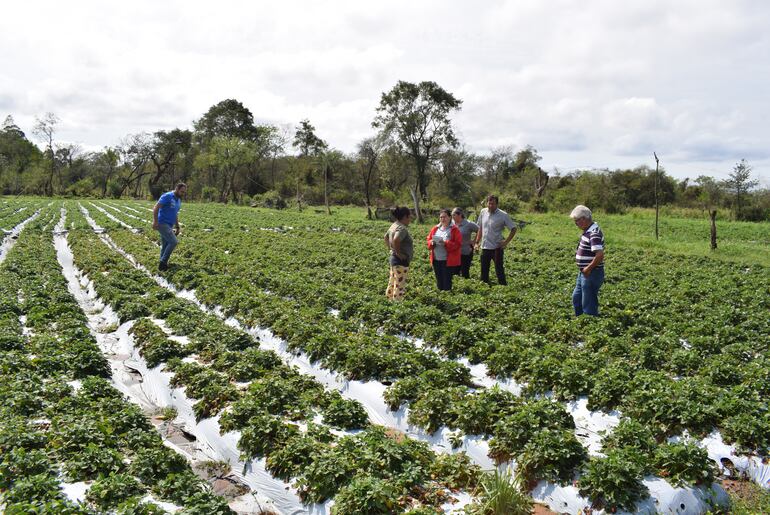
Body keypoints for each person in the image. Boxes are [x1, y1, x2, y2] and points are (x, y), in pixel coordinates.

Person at [474, 195, 516, 285]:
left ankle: (503, 288)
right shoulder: (483, 212)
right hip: (485, 247)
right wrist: (477, 242)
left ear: (497, 204)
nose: (490, 206)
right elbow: (480, 228)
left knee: (499, 270)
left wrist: (505, 242)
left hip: (496, 248)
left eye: (493, 204)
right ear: (486, 203)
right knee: (484, 270)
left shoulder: (503, 215)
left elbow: (513, 228)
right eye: (489, 203)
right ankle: (484, 289)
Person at [570, 205, 605, 316]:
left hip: (591, 273)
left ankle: (589, 322)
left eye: (577, 221)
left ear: (584, 219)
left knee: (588, 302)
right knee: (577, 298)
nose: (576, 224)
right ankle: (580, 321)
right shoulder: (588, 231)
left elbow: (599, 255)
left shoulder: (593, 233)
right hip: (584, 273)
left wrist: (588, 269)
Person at [153, 182, 187, 271]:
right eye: (181, 191)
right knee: (173, 242)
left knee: (166, 244)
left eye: (184, 192)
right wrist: (155, 221)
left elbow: (175, 214)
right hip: (162, 223)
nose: (182, 194)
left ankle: (162, 263)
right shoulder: (167, 196)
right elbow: (156, 208)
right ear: (176, 189)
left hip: (170, 225)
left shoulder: (178, 200)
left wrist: (177, 227)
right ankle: (163, 263)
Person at [427, 209, 462, 291]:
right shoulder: (435, 228)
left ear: (450, 217)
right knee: (439, 281)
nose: (443, 219)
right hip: (436, 259)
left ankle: (447, 299)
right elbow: (428, 239)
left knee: (447, 282)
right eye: (441, 217)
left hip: (447, 261)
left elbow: (458, 244)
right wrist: (431, 242)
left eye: (445, 217)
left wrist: (445, 243)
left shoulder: (454, 229)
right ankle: (441, 299)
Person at [384, 206, 413, 301]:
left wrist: (390, 249)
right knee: (400, 285)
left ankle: (388, 300)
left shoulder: (394, 225)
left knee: (392, 281)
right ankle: (397, 305)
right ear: (405, 217)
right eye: (409, 217)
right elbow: (396, 239)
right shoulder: (402, 228)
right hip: (401, 261)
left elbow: (386, 237)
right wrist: (398, 253)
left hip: (393, 259)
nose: (410, 219)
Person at [450, 207, 478, 278]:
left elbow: (480, 230)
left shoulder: (468, 224)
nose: (452, 216)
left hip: (466, 251)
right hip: (454, 251)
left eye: (454, 215)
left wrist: (474, 241)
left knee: (465, 271)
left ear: (460, 215)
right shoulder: (452, 224)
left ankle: (466, 287)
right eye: (452, 215)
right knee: (455, 272)